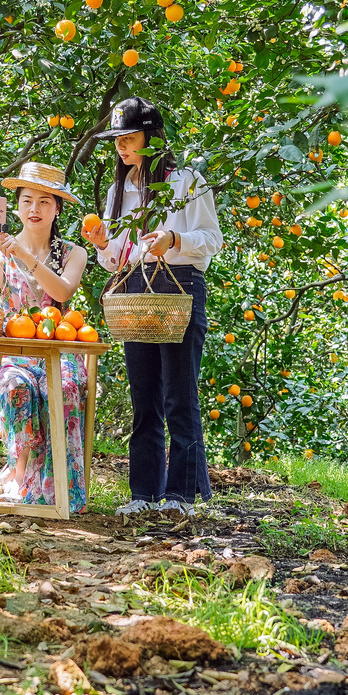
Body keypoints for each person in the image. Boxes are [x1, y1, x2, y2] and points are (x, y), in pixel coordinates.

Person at [82, 98, 222, 515]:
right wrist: (104, 245)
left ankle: (180, 496)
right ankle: (143, 493)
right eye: (117, 140)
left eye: (129, 138)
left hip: (179, 285)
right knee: (144, 396)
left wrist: (174, 241)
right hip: (135, 291)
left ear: (151, 137)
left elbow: (211, 240)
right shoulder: (117, 190)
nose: (122, 147)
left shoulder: (186, 181)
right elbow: (118, 260)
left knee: (179, 395)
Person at [0, 161, 90, 511]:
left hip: (59, 351)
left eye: (44, 202)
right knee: (17, 387)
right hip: (13, 350)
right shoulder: (0, 249)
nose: (34, 209)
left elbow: (63, 292)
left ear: (57, 208)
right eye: (26, 200)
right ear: (17, 206)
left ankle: (61, 488)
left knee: (65, 387)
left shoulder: (72, 253)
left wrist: (22, 255)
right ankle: (20, 477)